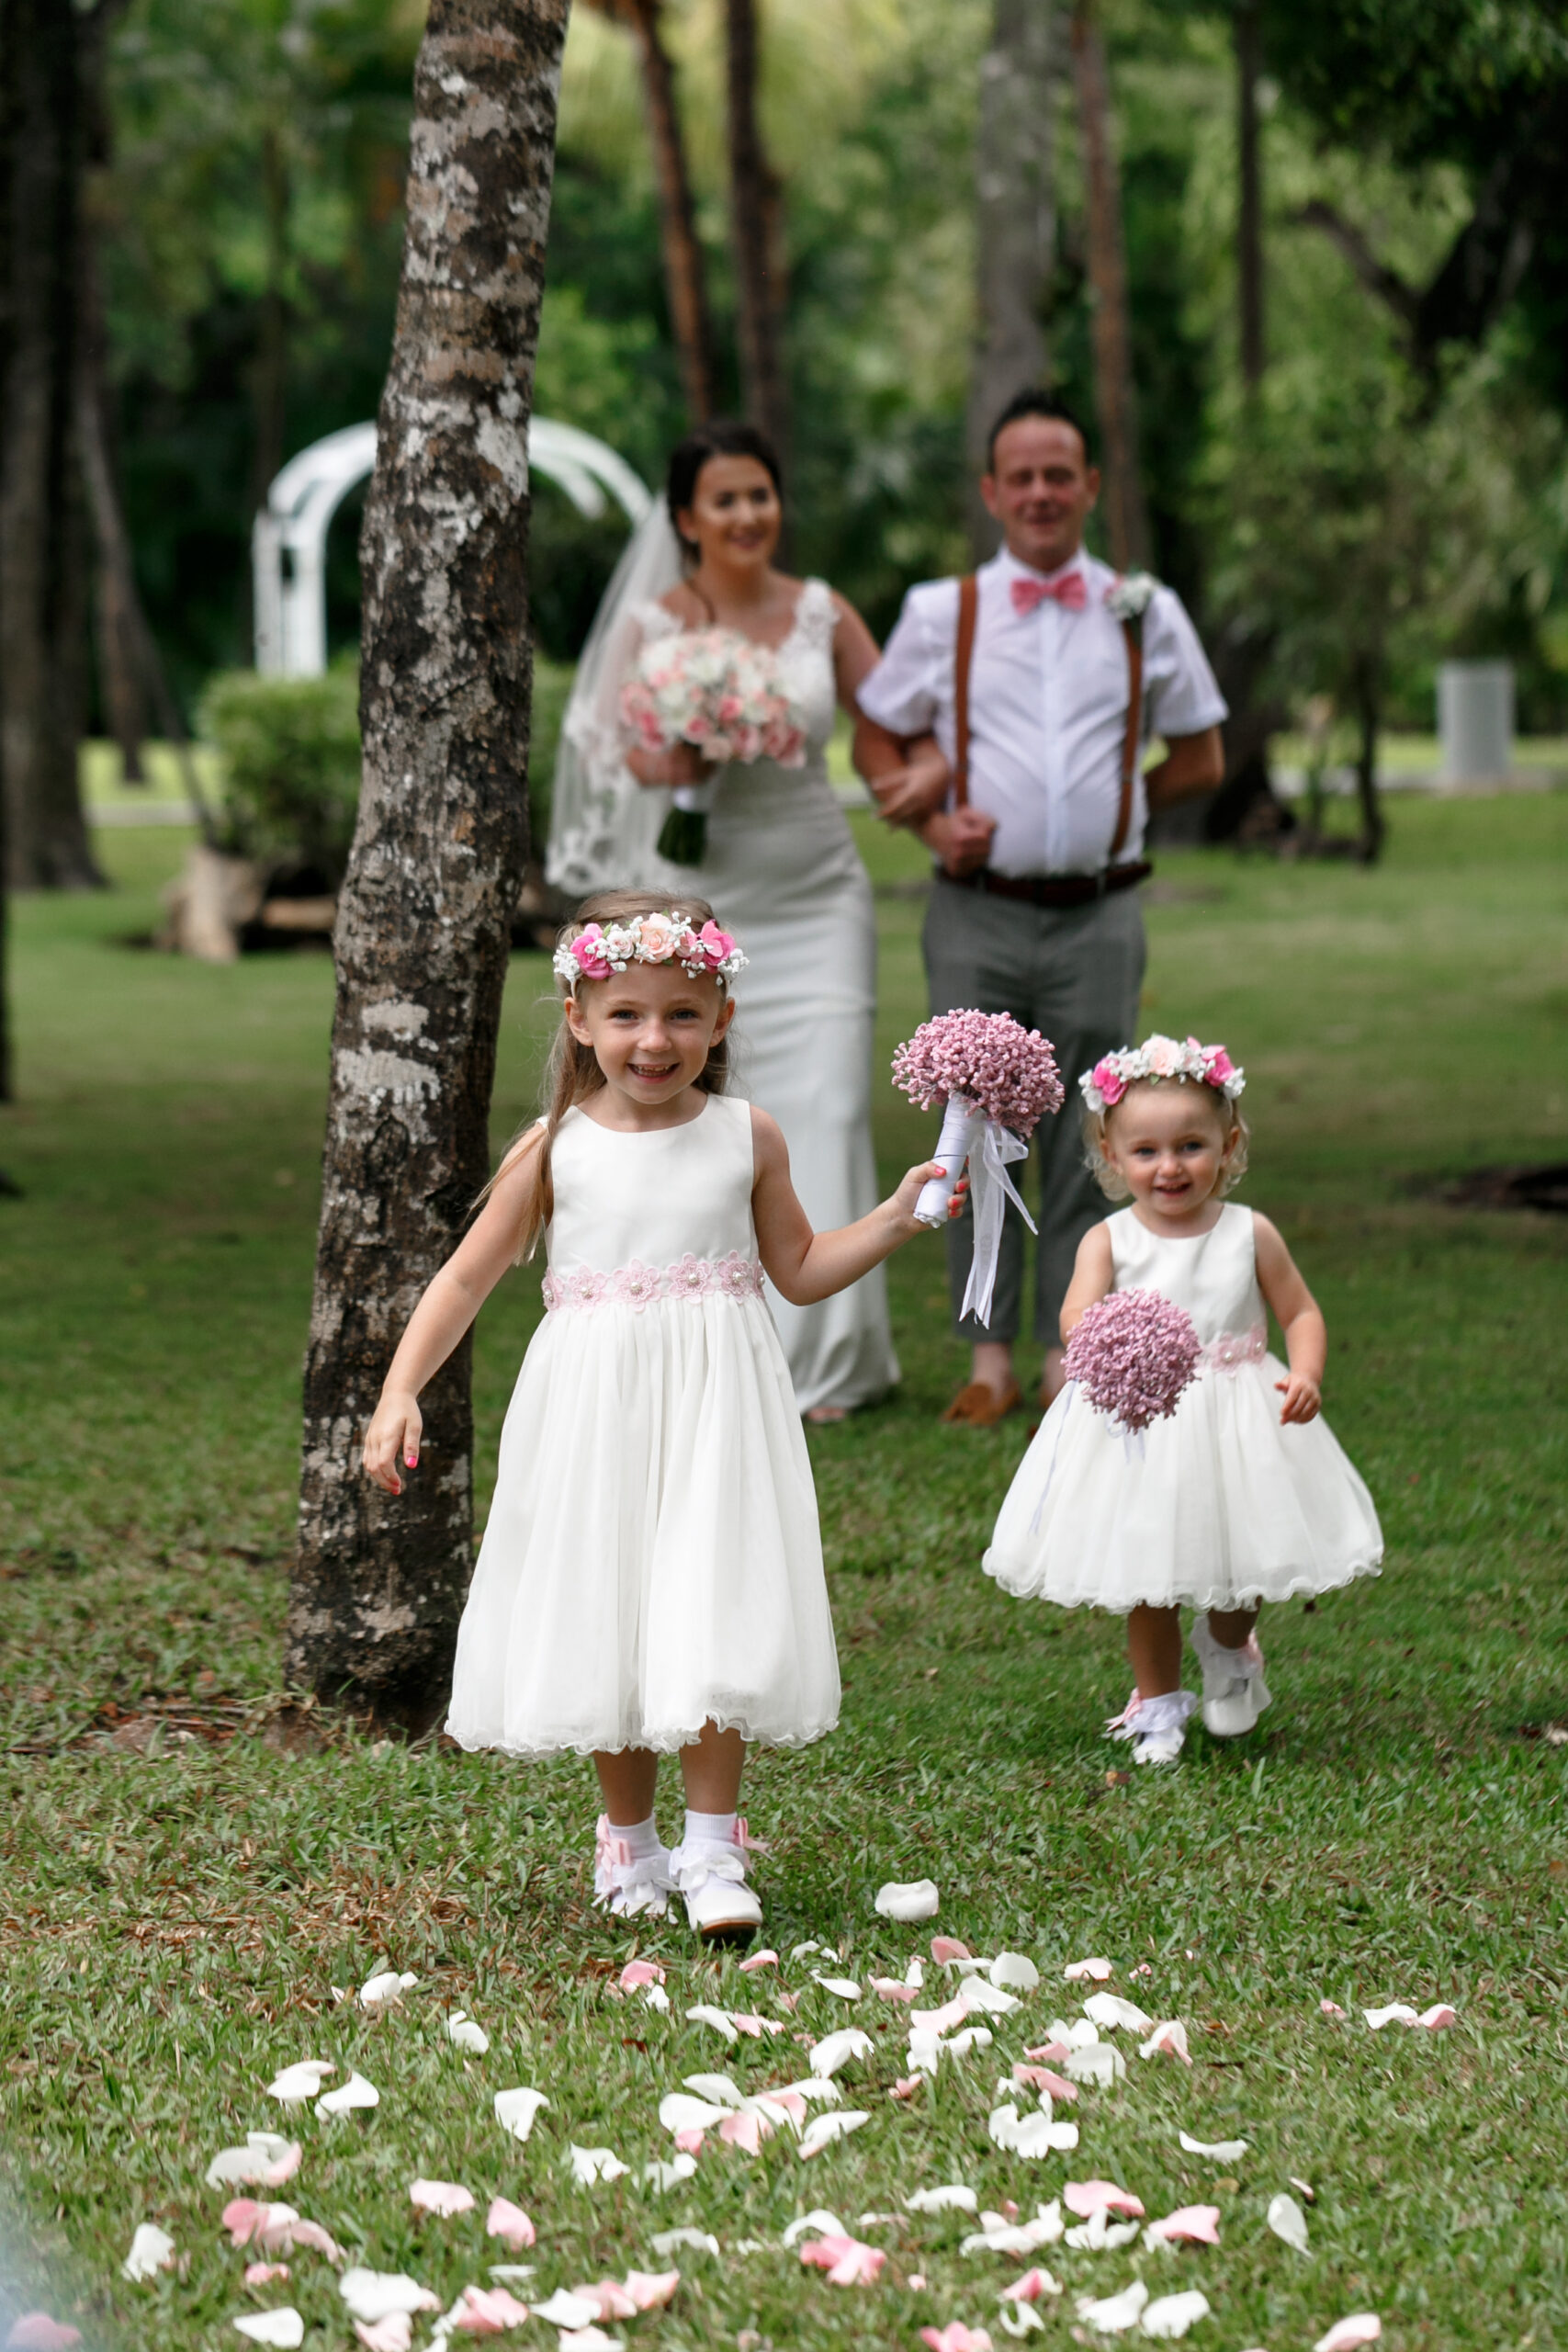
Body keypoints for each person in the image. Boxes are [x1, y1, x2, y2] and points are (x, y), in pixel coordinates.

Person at [361, 891, 950, 1939]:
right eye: (626, 1013)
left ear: (721, 1015)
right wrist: (401, 1386)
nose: (654, 1038)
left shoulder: (745, 1135)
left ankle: (716, 1849)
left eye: (682, 1013)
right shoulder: (555, 1150)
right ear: (579, 1016)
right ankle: (629, 1842)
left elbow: (803, 1270)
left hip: (718, 1409)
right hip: (597, 1413)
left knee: (710, 1605)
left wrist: (899, 1216)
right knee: (613, 1611)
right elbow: (462, 1280)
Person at [547, 420, 944, 1422]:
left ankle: (834, 1358)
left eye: (760, 495)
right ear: (686, 518)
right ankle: (730, 1338)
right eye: (723, 500)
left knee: (836, 1109)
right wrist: (681, 753)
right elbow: (624, 755)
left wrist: (930, 778)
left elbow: (895, 732)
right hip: (701, 906)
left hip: (819, 888)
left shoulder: (821, 613)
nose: (745, 515)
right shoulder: (655, 625)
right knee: (721, 1113)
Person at [853, 389, 1229, 1426]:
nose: (1040, 492)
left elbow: (1202, 751)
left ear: (1090, 486)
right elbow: (875, 738)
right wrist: (933, 829)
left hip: (1100, 912)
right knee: (967, 1120)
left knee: (1086, 1128)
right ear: (991, 492)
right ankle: (985, 1358)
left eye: (1059, 473)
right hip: (975, 906)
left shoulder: (1141, 607)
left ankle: (1072, 1347)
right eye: (1019, 475)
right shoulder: (945, 612)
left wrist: (1123, 802)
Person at [982, 1036, 1382, 1765]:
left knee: (1241, 1558)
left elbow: (1299, 1312)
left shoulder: (1247, 1232)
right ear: (1109, 1151)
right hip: (1141, 1421)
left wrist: (1306, 1372)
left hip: (1237, 1415)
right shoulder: (1107, 1240)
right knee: (1150, 1573)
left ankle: (1229, 1651)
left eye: (1191, 1145)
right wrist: (1109, 1341)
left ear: (1228, 1145)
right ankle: (1157, 1701)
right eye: (1146, 1151)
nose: (1169, 1167)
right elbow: (1075, 1318)